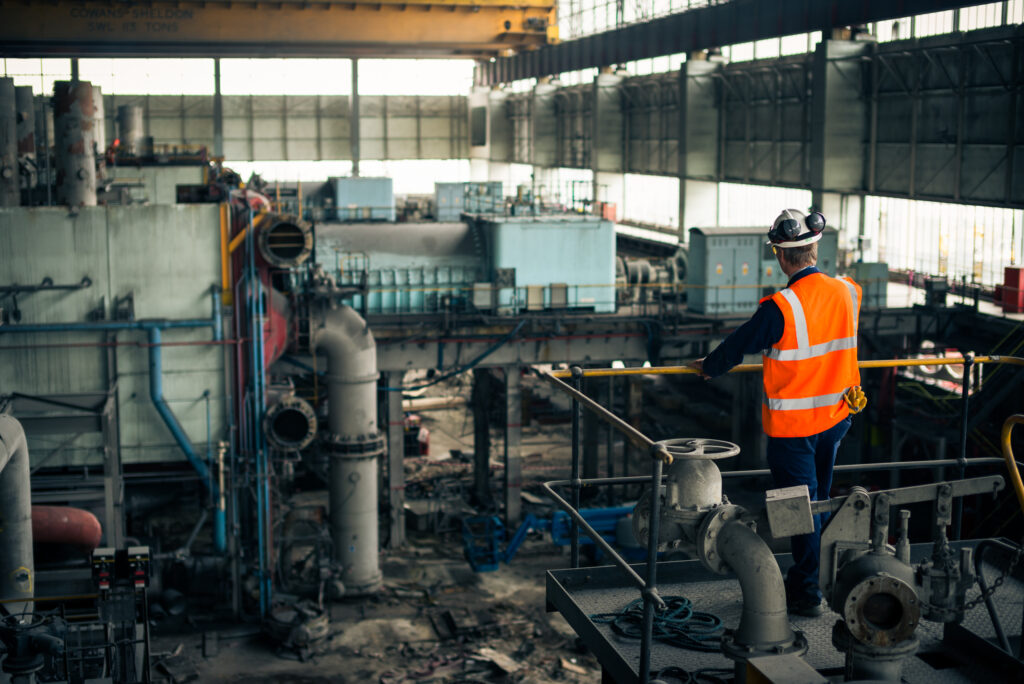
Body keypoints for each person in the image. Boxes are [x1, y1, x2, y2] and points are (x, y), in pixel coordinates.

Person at [689, 208, 862, 617]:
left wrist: (709, 367)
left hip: (794, 429)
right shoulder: (848, 291)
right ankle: (814, 578)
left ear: (781, 256)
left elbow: (738, 344)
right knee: (818, 499)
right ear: (815, 248)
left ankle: (807, 591)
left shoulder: (781, 307)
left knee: (797, 508)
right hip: (836, 418)